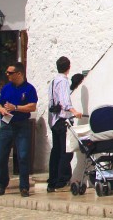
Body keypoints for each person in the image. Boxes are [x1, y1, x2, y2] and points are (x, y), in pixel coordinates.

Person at [0, 61, 38, 197]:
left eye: (10, 72)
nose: (7, 74)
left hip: (22, 125)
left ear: (19, 74)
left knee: (23, 156)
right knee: (2, 156)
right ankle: (2, 183)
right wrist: (3, 111)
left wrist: (16, 108)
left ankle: (24, 187)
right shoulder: (7, 88)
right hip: (7, 125)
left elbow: (32, 107)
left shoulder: (29, 89)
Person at [47, 57, 82, 192]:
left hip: (54, 120)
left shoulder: (53, 81)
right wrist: (74, 111)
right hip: (62, 120)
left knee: (56, 151)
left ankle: (53, 180)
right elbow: (64, 101)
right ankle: (61, 181)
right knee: (66, 152)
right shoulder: (63, 81)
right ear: (68, 67)